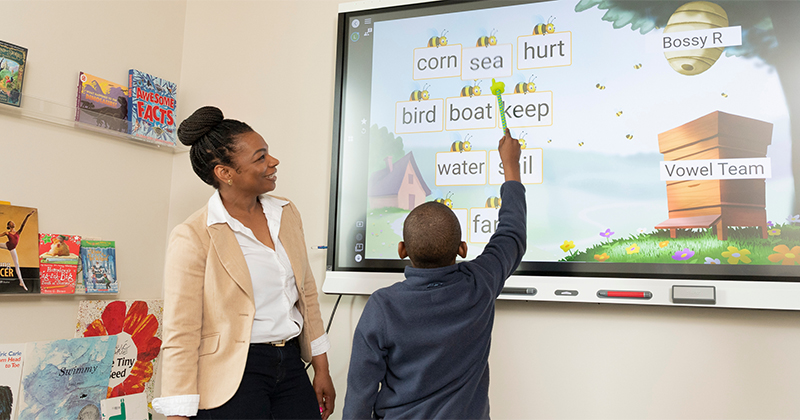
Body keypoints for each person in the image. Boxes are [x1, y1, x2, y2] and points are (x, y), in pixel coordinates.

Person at [152, 106, 335, 420]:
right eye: (260, 157)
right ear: (225, 173)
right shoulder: (193, 236)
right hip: (233, 374)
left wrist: (322, 367)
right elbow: (181, 331)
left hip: (290, 364)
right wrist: (177, 413)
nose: (273, 162)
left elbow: (307, 294)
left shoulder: (286, 214)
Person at [342, 128, 526, 419]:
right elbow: (512, 234)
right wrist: (511, 167)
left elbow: (359, 396)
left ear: (402, 249)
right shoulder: (480, 283)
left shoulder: (382, 306)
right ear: (462, 248)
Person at [1, 209, 35, 291]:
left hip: (12, 248)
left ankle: (21, 282)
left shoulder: (18, 232)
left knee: (17, 264)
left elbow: (23, 224)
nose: (13, 223)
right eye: (11, 223)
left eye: (13, 222)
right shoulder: (7, 233)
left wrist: (28, 216)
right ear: (9, 226)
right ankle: (21, 282)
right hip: (7, 245)